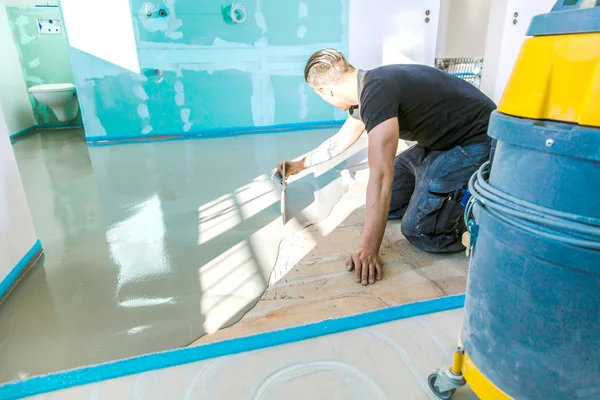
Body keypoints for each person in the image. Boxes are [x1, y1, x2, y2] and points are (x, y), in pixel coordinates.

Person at [275, 49, 496, 286]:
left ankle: (478, 214)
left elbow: (381, 175)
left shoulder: (377, 92)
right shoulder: (368, 89)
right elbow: (339, 142)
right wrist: (299, 164)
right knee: (388, 207)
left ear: (325, 91)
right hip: (440, 143)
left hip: (476, 140)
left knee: (422, 230)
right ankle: (437, 194)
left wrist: (368, 249)